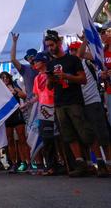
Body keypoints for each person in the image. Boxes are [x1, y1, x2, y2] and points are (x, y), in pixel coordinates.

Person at [44, 30, 93, 177]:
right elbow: (49, 87)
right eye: (47, 46)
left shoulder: (72, 59)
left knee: (85, 132)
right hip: (59, 103)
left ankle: (97, 163)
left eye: (52, 45)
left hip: (74, 101)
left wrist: (66, 76)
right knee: (68, 135)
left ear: (59, 43)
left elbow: (83, 80)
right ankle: (80, 164)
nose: (50, 48)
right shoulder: (51, 63)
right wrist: (50, 80)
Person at [73, 40, 111, 176]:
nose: (73, 53)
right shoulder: (71, 66)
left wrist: (85, 39)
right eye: (71, 50)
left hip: (93, 102)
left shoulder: (88, 62)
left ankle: (109, 163)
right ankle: (100, 163)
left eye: (75, 50)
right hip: (80, 104)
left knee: (103, 134)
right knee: (90, 136)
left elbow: (81, 54)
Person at [30, 52, 58, 175]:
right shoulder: (36, 78)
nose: (34, 63)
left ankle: (63, 164)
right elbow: (37, 96)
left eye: (37, 61)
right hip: (43, 109)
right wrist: (27, 104)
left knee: (59, 138)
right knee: (46, 138)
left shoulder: (52, 75)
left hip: (55, 106)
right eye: (34, 62)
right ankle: (50, 166)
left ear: (44, 61)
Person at [0, 71, 30, 173]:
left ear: (9, 78)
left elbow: (24, 96)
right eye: (2, 78)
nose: (5, 79)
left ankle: (27, 162)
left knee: (22, 138)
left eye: (6, 77)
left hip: (17, 114)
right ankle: (14, 163)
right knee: (10, 139)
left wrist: (15, 91)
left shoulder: (14, 86)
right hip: (7, 117)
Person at [10, 33, 38, 101]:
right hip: (30, 101)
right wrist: (14, 42)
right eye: (28, 57)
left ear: (37, 57)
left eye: (32, 56)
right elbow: (13, 59)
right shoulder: (25, 69)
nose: (30, 58)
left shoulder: (42, 67)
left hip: (43, 100)